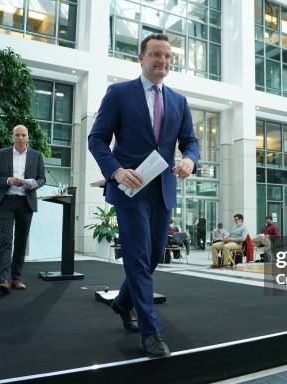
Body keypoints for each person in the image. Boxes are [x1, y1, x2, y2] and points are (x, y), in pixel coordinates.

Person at [88, 33, 199, 358]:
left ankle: (123, 303)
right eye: (155, 55)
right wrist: (116, 170)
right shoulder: (119, 93)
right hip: (130, 190)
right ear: (141, 58)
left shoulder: (179, 101)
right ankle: (151, 333)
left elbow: (190, 141)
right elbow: (96, 139)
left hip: (162, 189)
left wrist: (190, 159)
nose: (161, 61)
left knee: (151, 257)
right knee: (137, 257)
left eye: (167, 56)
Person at [0, 125, 45, 294]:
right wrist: (8, 181)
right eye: (17, 135)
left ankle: (16, 278)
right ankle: (4, 280)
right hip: (6, 202)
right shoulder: (1, 154)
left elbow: (42, 179)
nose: (20, 138)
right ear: (12, 136)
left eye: (23, 135)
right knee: (6, 240)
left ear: (28, 137)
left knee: (21, 242)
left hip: (25, 202)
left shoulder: (36, 156)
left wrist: (29, 184)